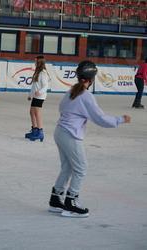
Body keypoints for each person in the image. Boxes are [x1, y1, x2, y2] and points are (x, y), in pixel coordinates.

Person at [48, 61, 131, 218]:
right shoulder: (86, 96)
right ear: (91, 79)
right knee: (81, 168)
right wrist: (120, 119)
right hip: (70, 135)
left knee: (67, 167)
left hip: (60, 132)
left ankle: (56, 199)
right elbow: (100, 119)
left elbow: (62, 108)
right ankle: (71, 203)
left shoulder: (71, 91)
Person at [25, 56, 50, 142]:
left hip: (40, 96)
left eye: (36, 61)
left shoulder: (43, 73)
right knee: (31, 112)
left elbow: (45, 86)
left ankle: (40, 132)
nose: (34, 62)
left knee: (37, 113)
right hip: (35, 96)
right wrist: (30, 95)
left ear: (39, 62)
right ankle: (34, 130)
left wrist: (40, 92)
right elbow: (34, 86)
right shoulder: (37, 72)